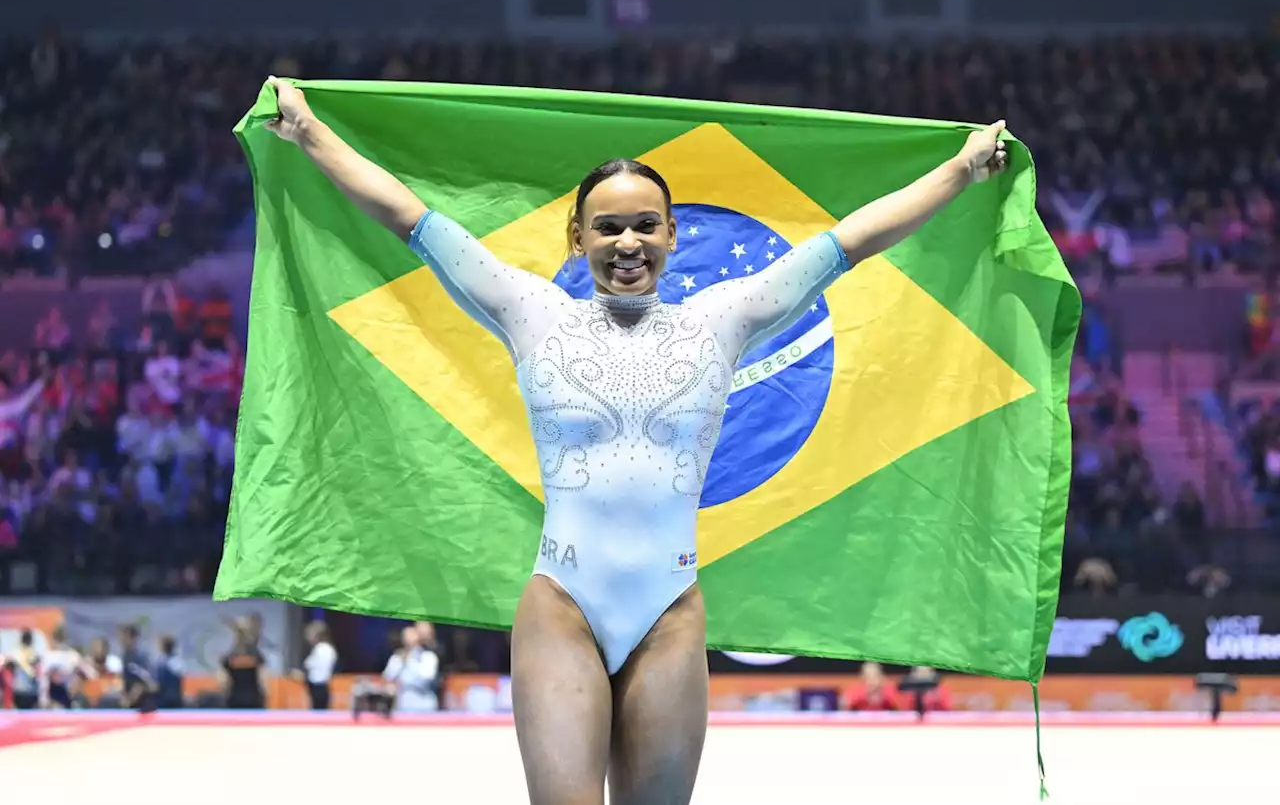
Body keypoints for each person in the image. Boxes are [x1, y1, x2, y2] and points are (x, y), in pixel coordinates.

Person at [265, 75, 1009, 805]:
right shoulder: (532, 313)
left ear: (673, 233)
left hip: (671, 612)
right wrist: (306, 131)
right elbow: (411, 219)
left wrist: (961, 168)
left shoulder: (724, 320)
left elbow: (852, 241)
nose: (628, 241)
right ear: (578, 235)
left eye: (646, 224)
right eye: (609, 225)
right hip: (563, 604)